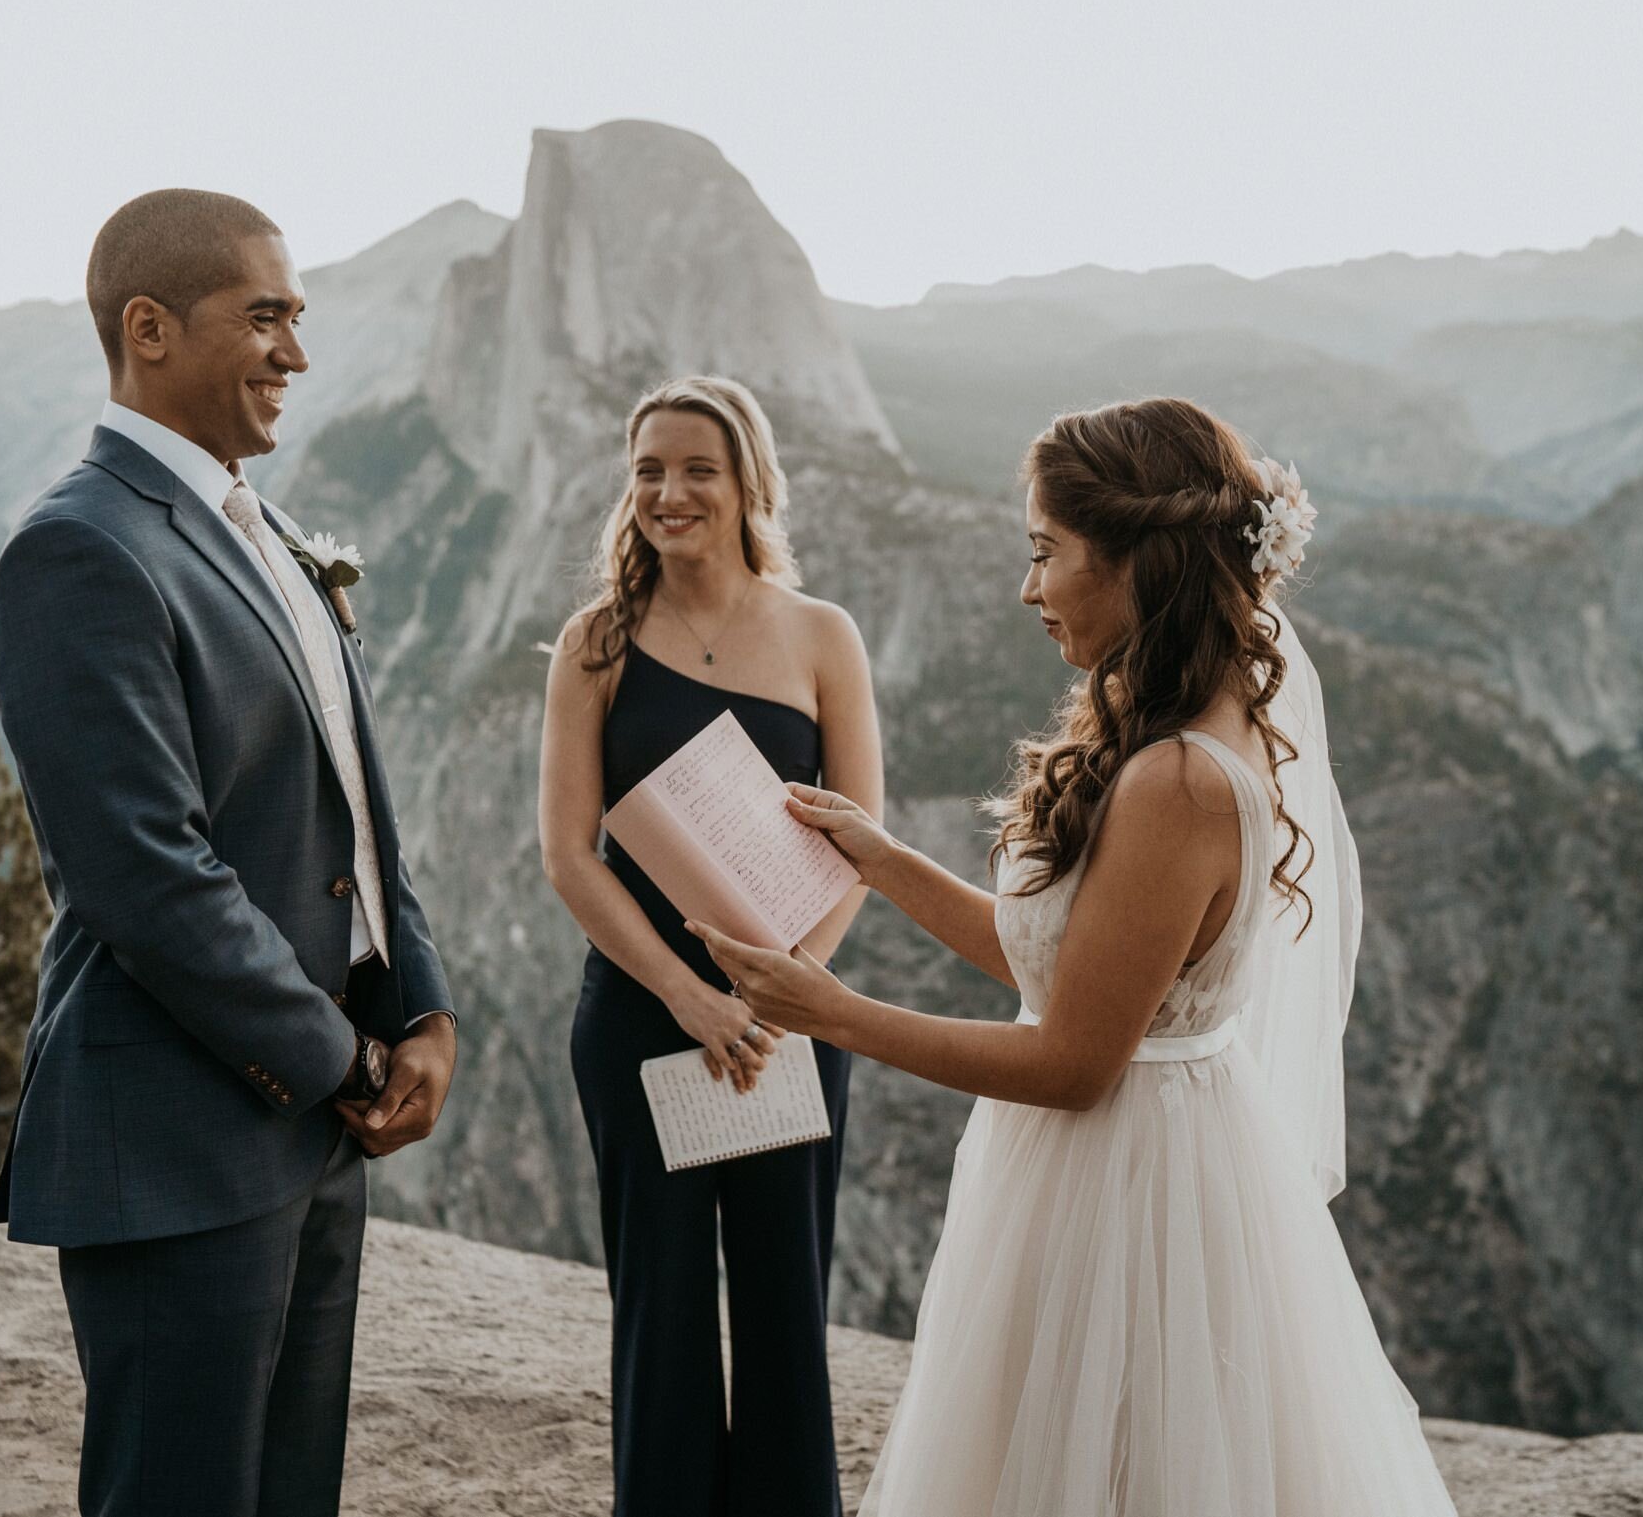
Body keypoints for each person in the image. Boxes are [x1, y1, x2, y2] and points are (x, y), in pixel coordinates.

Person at [693, 398, 1458, 1515]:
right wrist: (877, 859)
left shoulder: (1176, 781)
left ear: (1137, 562)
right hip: (1122, 1150)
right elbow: (1055, 966)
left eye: (1044, 552)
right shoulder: (1176, 724)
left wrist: (827, 1010)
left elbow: (1073, 1062)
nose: (1026, 586)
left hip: (1128, 1183)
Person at [0, 188, 458, 1517]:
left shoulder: (265, 528)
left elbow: (356, 804)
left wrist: (417, 1001)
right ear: (147, 329)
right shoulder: (79, 549)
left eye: (297, 318)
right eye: (263, 318)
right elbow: (147, 877)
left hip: (311, 1134)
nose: (295, 354)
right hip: (178, 1142)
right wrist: (342, 1059)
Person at [538, 375, 884, 1517]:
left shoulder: (821, 636)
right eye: (648, 470)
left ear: (746, 486)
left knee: (786, 1307)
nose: (669, 491)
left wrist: (788, 993)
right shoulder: (593, 646)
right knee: (664, 1312)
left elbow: (864, 849)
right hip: (645, 1018)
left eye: (697, 469)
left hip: (791, 1017)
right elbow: (571, 857)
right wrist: (690, 998)